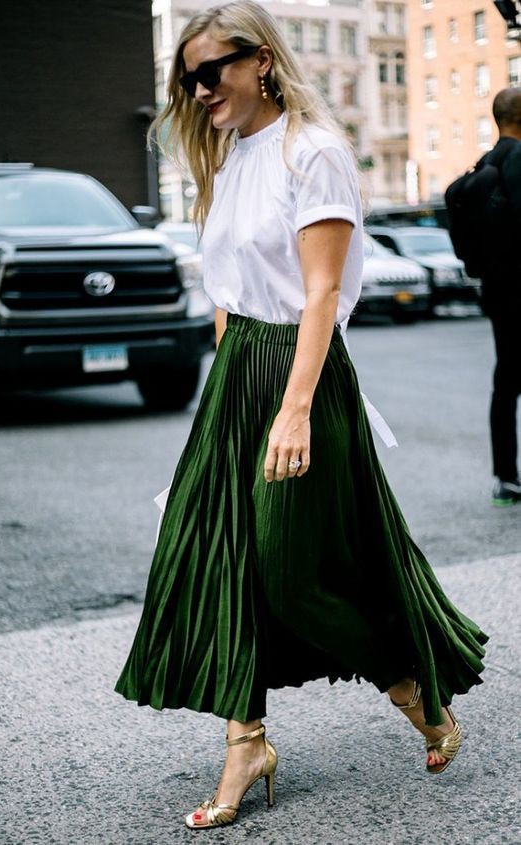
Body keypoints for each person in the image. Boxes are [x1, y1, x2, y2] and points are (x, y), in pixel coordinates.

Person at [115, 0, 488, 830]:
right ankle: (245, 739)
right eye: (189, 78)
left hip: (299, 371)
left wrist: (295, 411)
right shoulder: (226, 154)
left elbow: (321, 293)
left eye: (213, 70)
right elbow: (227, 293)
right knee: (222, 559)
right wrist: (225, 393)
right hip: (240, 369)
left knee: (287, 564)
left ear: (261, 63)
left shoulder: (310, 151)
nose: (200, 88)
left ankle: (406, 681)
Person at [482, 89, 521, 506]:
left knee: (505, 381)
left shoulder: (484, 164)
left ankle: (505, 475)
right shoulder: (517, 161)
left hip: (496, 292)